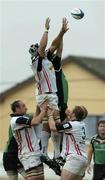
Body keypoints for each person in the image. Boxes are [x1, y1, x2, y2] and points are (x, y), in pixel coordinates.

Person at [29, 17, 69, 132]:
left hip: (50, 94)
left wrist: (61, 32)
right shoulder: (36, 61)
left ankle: (53, 149)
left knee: (54, 123)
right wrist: (46, 30)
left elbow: (54, 45)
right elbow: (42, 47)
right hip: (45, 94)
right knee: (54, 123)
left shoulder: (45, 58)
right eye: (39, 49)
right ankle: (49, 149)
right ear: (36, 53)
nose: (44, 49)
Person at [47, 105, 88, 180]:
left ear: (74, 114)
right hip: (82, 158)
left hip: (74, 158)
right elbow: (67, 124)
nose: (69, 112)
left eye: (71, 111)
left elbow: (53, 127)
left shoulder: (72, 125)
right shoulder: (82, 124)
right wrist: (68, 115)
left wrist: (50, 115)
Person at [10, 100, 48, 180]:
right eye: (23, 106)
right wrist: (44, 110)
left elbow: (34, 119)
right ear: (17, 109)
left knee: (41, 178)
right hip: (27, 154)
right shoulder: (16, 120)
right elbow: (36, 121)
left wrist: (38, 106)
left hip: (35, 152)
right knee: (33, 178)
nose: (26, 108)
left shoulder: (23, 118)